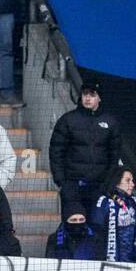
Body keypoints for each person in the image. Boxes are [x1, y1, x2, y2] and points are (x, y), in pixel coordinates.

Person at [49, 80, 123, 218]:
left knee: (98, 228)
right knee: (73, 228)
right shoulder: (67, 120)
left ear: (99, 98)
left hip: (99, 187)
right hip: (72, 187)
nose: (87, 98)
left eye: (92, 94)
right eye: (85, 94)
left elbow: (114, 156)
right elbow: (56, 152)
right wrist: (62, 182)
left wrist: (108, 184)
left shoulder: (111, 122)